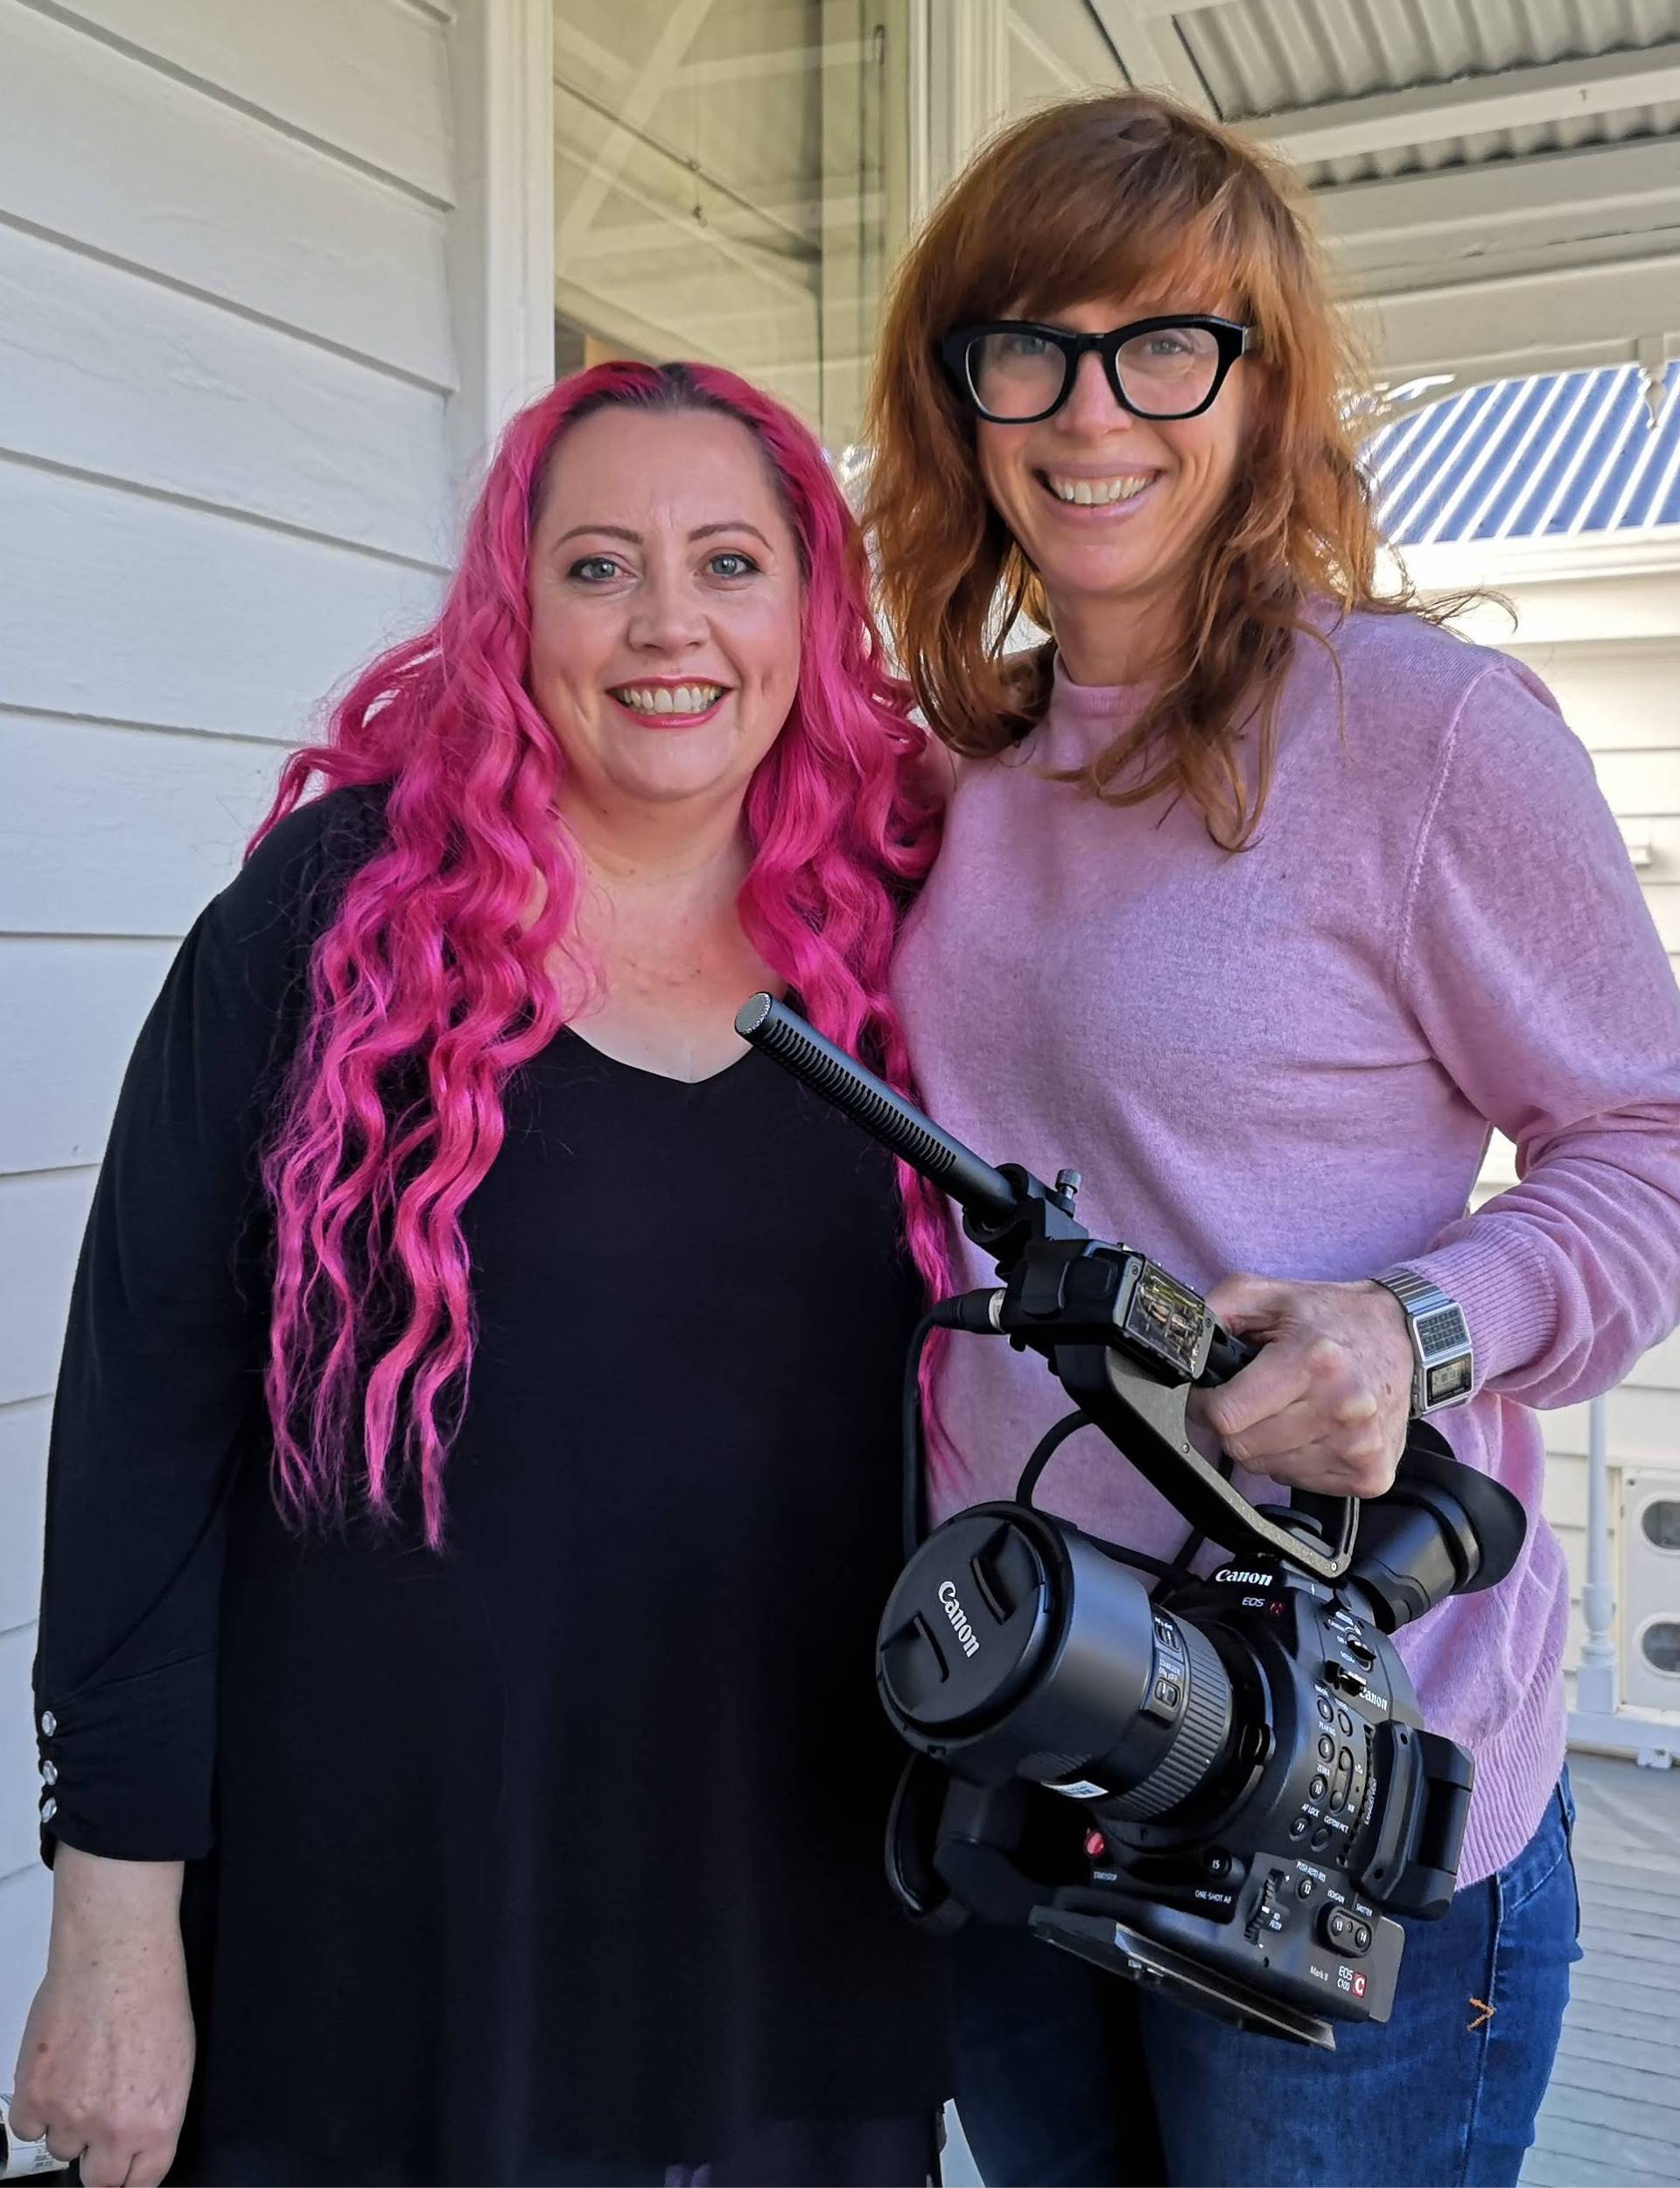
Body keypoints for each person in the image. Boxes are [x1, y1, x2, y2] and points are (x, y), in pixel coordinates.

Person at [10, 361, 955, 2188]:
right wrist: (113, 1922)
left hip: (796, 1922)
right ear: (514, 613)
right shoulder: (330, 922)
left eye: (730, 561)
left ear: (815, 607)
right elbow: (141, 1429)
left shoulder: (915, 921)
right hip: (383, 1927)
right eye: (599, 566)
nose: (668, 622)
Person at [863, 91, 1680, 2188]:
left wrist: (1412, 1329)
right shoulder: (951, 769)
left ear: (1263, 385)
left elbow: (1649, 1142)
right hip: (1033, 1717)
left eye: (1166, 345)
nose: (1089, 409)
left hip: (1338, 1769)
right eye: (1023, 344)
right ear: (957, 396)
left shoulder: (1419, 735)